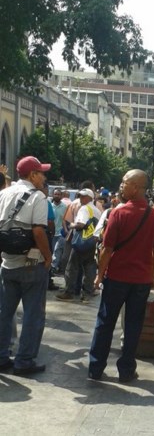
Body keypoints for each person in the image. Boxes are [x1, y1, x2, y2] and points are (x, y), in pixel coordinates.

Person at [88, 169, 154, 382]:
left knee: (105, 323)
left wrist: (99, 275)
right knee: (133, 326)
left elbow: (107, 249)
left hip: (117, 279)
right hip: (141, 281)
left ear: (137, 187)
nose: (121, 186)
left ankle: (95, 368)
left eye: (124, 183)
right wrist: (153, 275)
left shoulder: (118, 213)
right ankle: (126, 371)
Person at [0, 156, 52, 375]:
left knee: (4, 313)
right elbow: (39, 231)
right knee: (33, 314)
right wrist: (48, 257)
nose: (43, 177)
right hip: (31, 264)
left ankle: (1, 357)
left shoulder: (3, 194)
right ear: (32, 175)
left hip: (7, 263)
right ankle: (24, 361)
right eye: (41, 173)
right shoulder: (37, 197)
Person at [56, 188, 101, 302]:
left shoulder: (84, 209)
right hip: (92, 242)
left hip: (81, 242)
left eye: (83, 196)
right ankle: (87, 294)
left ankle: (69, 292)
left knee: (72, 267)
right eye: (80, 196)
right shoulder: (96, 210)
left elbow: (80, 224)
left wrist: (71, 225)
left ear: (89, 198)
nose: (81, 198)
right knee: (89, 267)